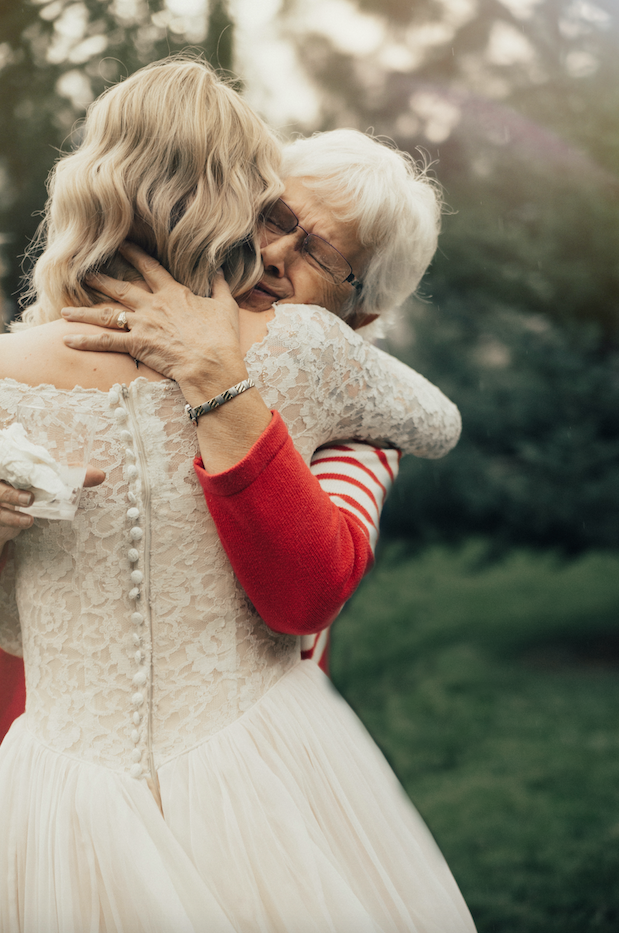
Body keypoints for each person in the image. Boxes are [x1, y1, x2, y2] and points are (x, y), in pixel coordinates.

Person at [0, 57, 475, 931]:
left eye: (320, 256)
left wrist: (224, 374)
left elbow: (306, 592)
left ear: (361, 321)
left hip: (251, 765)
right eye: (274, 218)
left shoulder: (327, 385)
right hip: (56, 765)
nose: (272, 256)